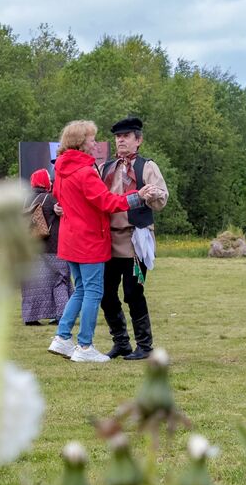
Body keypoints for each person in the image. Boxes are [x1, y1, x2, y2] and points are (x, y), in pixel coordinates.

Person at [48, 120, 155, 364]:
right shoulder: (85, 171)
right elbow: (107, 201)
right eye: (92, 139)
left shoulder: (61, 168)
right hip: (89, 240)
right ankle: (85, 345)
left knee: (80, 289)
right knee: (94, 292)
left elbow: (59, 196)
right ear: (80, 142)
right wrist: (137, 197)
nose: (95, 143)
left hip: (69, 239)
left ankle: (62, 337)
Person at [98, 116, 169, 360]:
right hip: (109, 241)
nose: (121, 140)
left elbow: (162, 199)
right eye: (118, 137)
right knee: (106, 294)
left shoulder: (147, 167)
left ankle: (145, 346)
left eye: (126, 136)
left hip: (135, 240)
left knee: (132, 292)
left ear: (138, 140)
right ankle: (121, 342)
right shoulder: (106, 168)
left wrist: (152, 194)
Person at [20, 167, 72, 325]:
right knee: (60, 279)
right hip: (52, 246)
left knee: (32, 284)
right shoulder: (50, 198)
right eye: (48, 179)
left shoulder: (25, 199)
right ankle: (62, 314)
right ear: (44, 182)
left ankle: (31, 318)